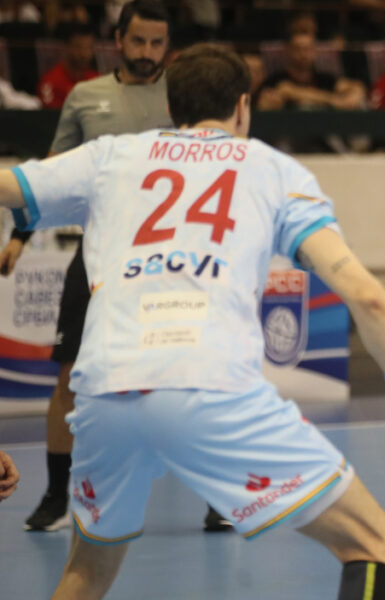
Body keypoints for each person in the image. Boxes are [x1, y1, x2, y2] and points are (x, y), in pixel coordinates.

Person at [0, 42, 385, 600]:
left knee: (86, 572)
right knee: (374, 541)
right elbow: (367, 295)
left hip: (103, 391)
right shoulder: (273, 171)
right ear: (244, 107)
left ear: (169, 104)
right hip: (208, 384)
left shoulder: (113, 156)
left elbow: (8, 187)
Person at [0, 0, 227, 533]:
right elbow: (51, 175)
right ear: (119, 40)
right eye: (139, 42)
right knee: (69, 375)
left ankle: (222, 494)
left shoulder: (185, 96)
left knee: (194, 377)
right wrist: (22, 235)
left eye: (158, 43)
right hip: (99, 257)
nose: (149, 53)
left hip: (175, 262)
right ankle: (58, 496)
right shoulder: (87, 97)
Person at [256, 31, 366, 112]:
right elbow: (286, 90)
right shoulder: (276, 79)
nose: (303, 54)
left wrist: (354, 96)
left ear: (314, 52)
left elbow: (356, 86)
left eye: (307, 49)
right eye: (298, 49)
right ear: (288, 51)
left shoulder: (324, 78)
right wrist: (333, 101)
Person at [37, 23, 99, 110]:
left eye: (89, 48)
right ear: (66, 47)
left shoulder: (97, 80)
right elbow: (49, 117)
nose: (84, 54)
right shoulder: (50, 81)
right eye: (78, 47)